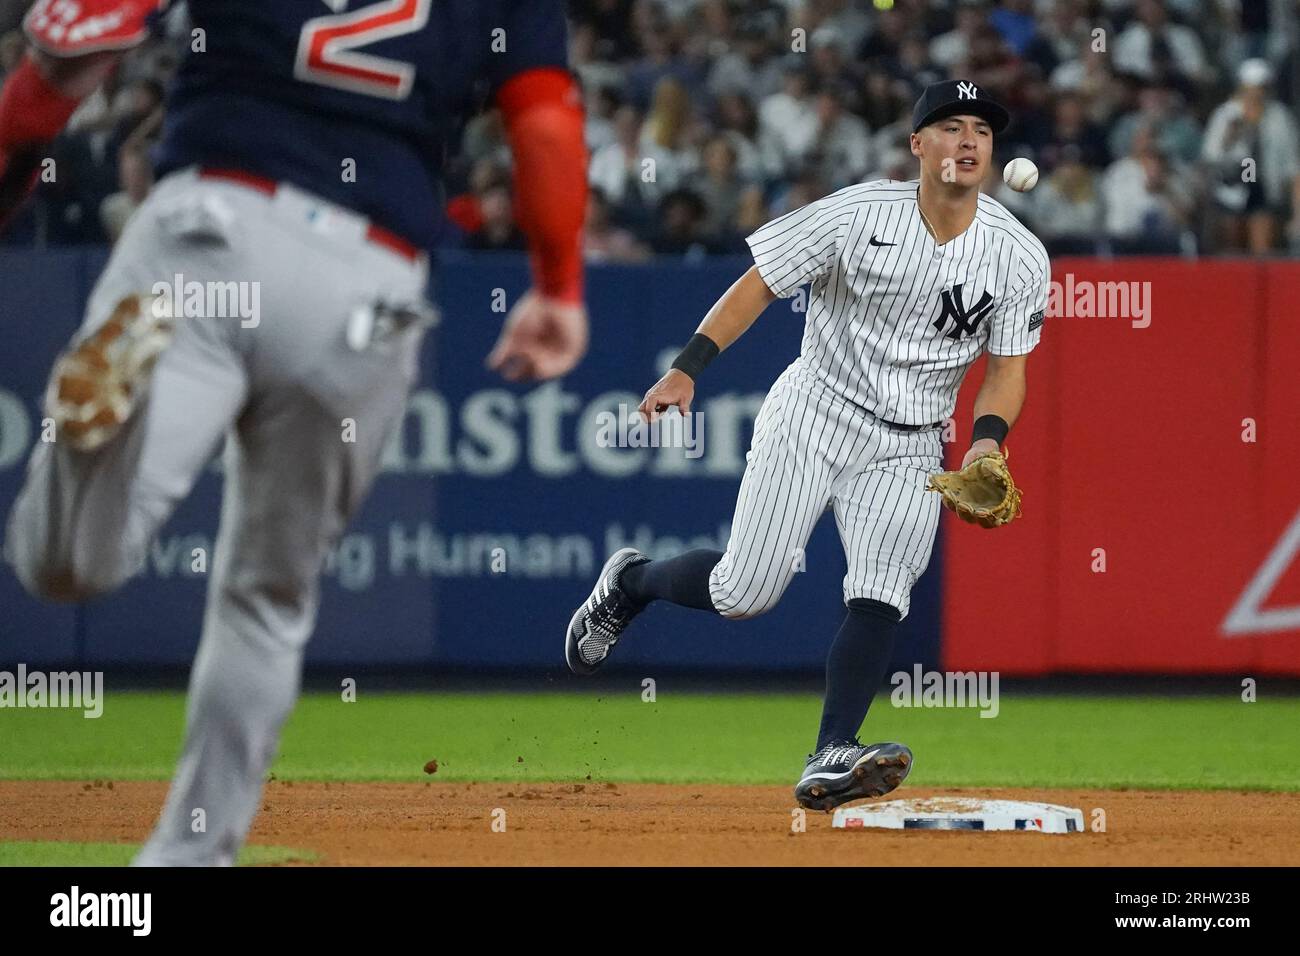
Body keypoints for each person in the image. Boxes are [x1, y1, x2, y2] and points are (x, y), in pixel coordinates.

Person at [3, 0, 589, 865]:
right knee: (266, 603)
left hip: (207, 226)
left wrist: (30, 109)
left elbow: (72, 52)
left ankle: (101, 428)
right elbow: (543, 123)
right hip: (367, 276)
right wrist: (559, 284)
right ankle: (185, 862)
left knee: (63, 566)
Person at [564, 80, 1049, 812]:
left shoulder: (1017, 255)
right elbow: (761, 281)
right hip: (816, 409)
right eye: (950, 126)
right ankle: (631, 583)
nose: (969, 140)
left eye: (981, 127)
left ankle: (831, 751)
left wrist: (985, 446)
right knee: (743, 591)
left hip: (913, 443)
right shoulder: (859, 213)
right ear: (918, 145)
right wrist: (688, 368)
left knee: (883, 590)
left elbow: (1008, 370)